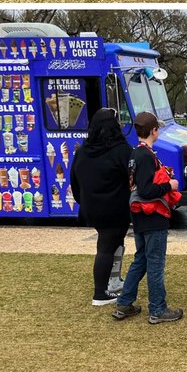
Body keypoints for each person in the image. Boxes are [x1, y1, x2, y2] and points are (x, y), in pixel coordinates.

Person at [112, 112, 182, 324]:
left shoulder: (135, 154)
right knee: (155, 263)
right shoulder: (146, 156)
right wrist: (169, 185)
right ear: (153, 130)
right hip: (153, 215)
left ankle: (125, 302)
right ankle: (158, 309)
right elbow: (146, 190)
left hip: (140, 216)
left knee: (141, 259)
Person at [69, 107, 134, 306]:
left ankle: (113, 281)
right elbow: (131, 177)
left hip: (92, 208)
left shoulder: (83, 151)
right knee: (106, 247)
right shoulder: (122, 150)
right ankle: (100, 293)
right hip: (116, 208)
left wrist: (85, 201)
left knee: (114, 243)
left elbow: (74, 181)